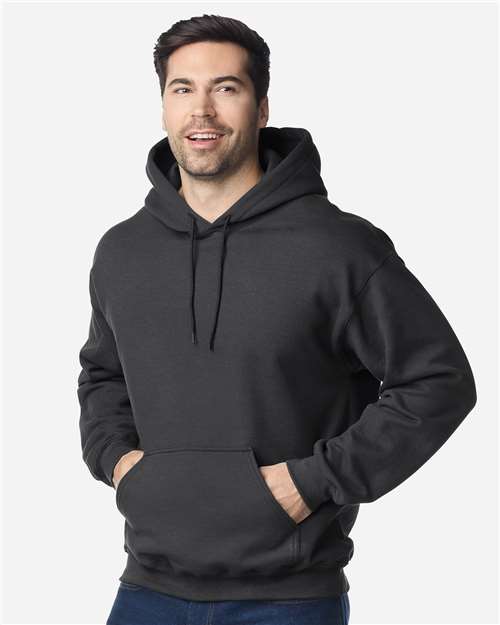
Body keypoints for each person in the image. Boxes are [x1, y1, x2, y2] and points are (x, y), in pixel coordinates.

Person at [77, 13, 476, 625]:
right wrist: (118, 462)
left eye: (226, 88)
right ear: (163, 107)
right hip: (146, 589)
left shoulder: (338, 247)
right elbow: (103, 376)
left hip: (288, 599)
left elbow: (438, 380)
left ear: (262, 108)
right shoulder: (123, 251)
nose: (202, 110)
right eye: (183, 89)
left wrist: (314, 481)